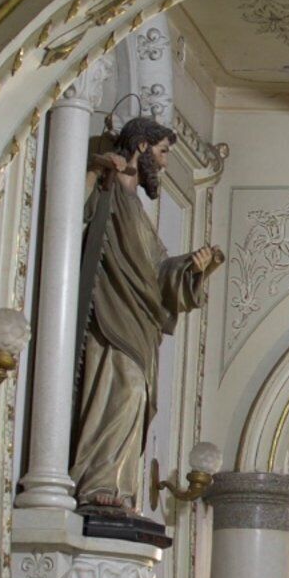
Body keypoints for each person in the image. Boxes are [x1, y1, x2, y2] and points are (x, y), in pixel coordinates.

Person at [70, 118, 219, 532]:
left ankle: (119, 485)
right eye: (163, 152)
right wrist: (96, 172)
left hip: (139, 319)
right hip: (112, 309)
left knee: (137, 397)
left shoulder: (136, 207)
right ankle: (97, 480)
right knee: (123, 389)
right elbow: (71, 213)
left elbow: (155, 272)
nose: (166, 163)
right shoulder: (110, 189)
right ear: (140, 146)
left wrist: (191, 268)